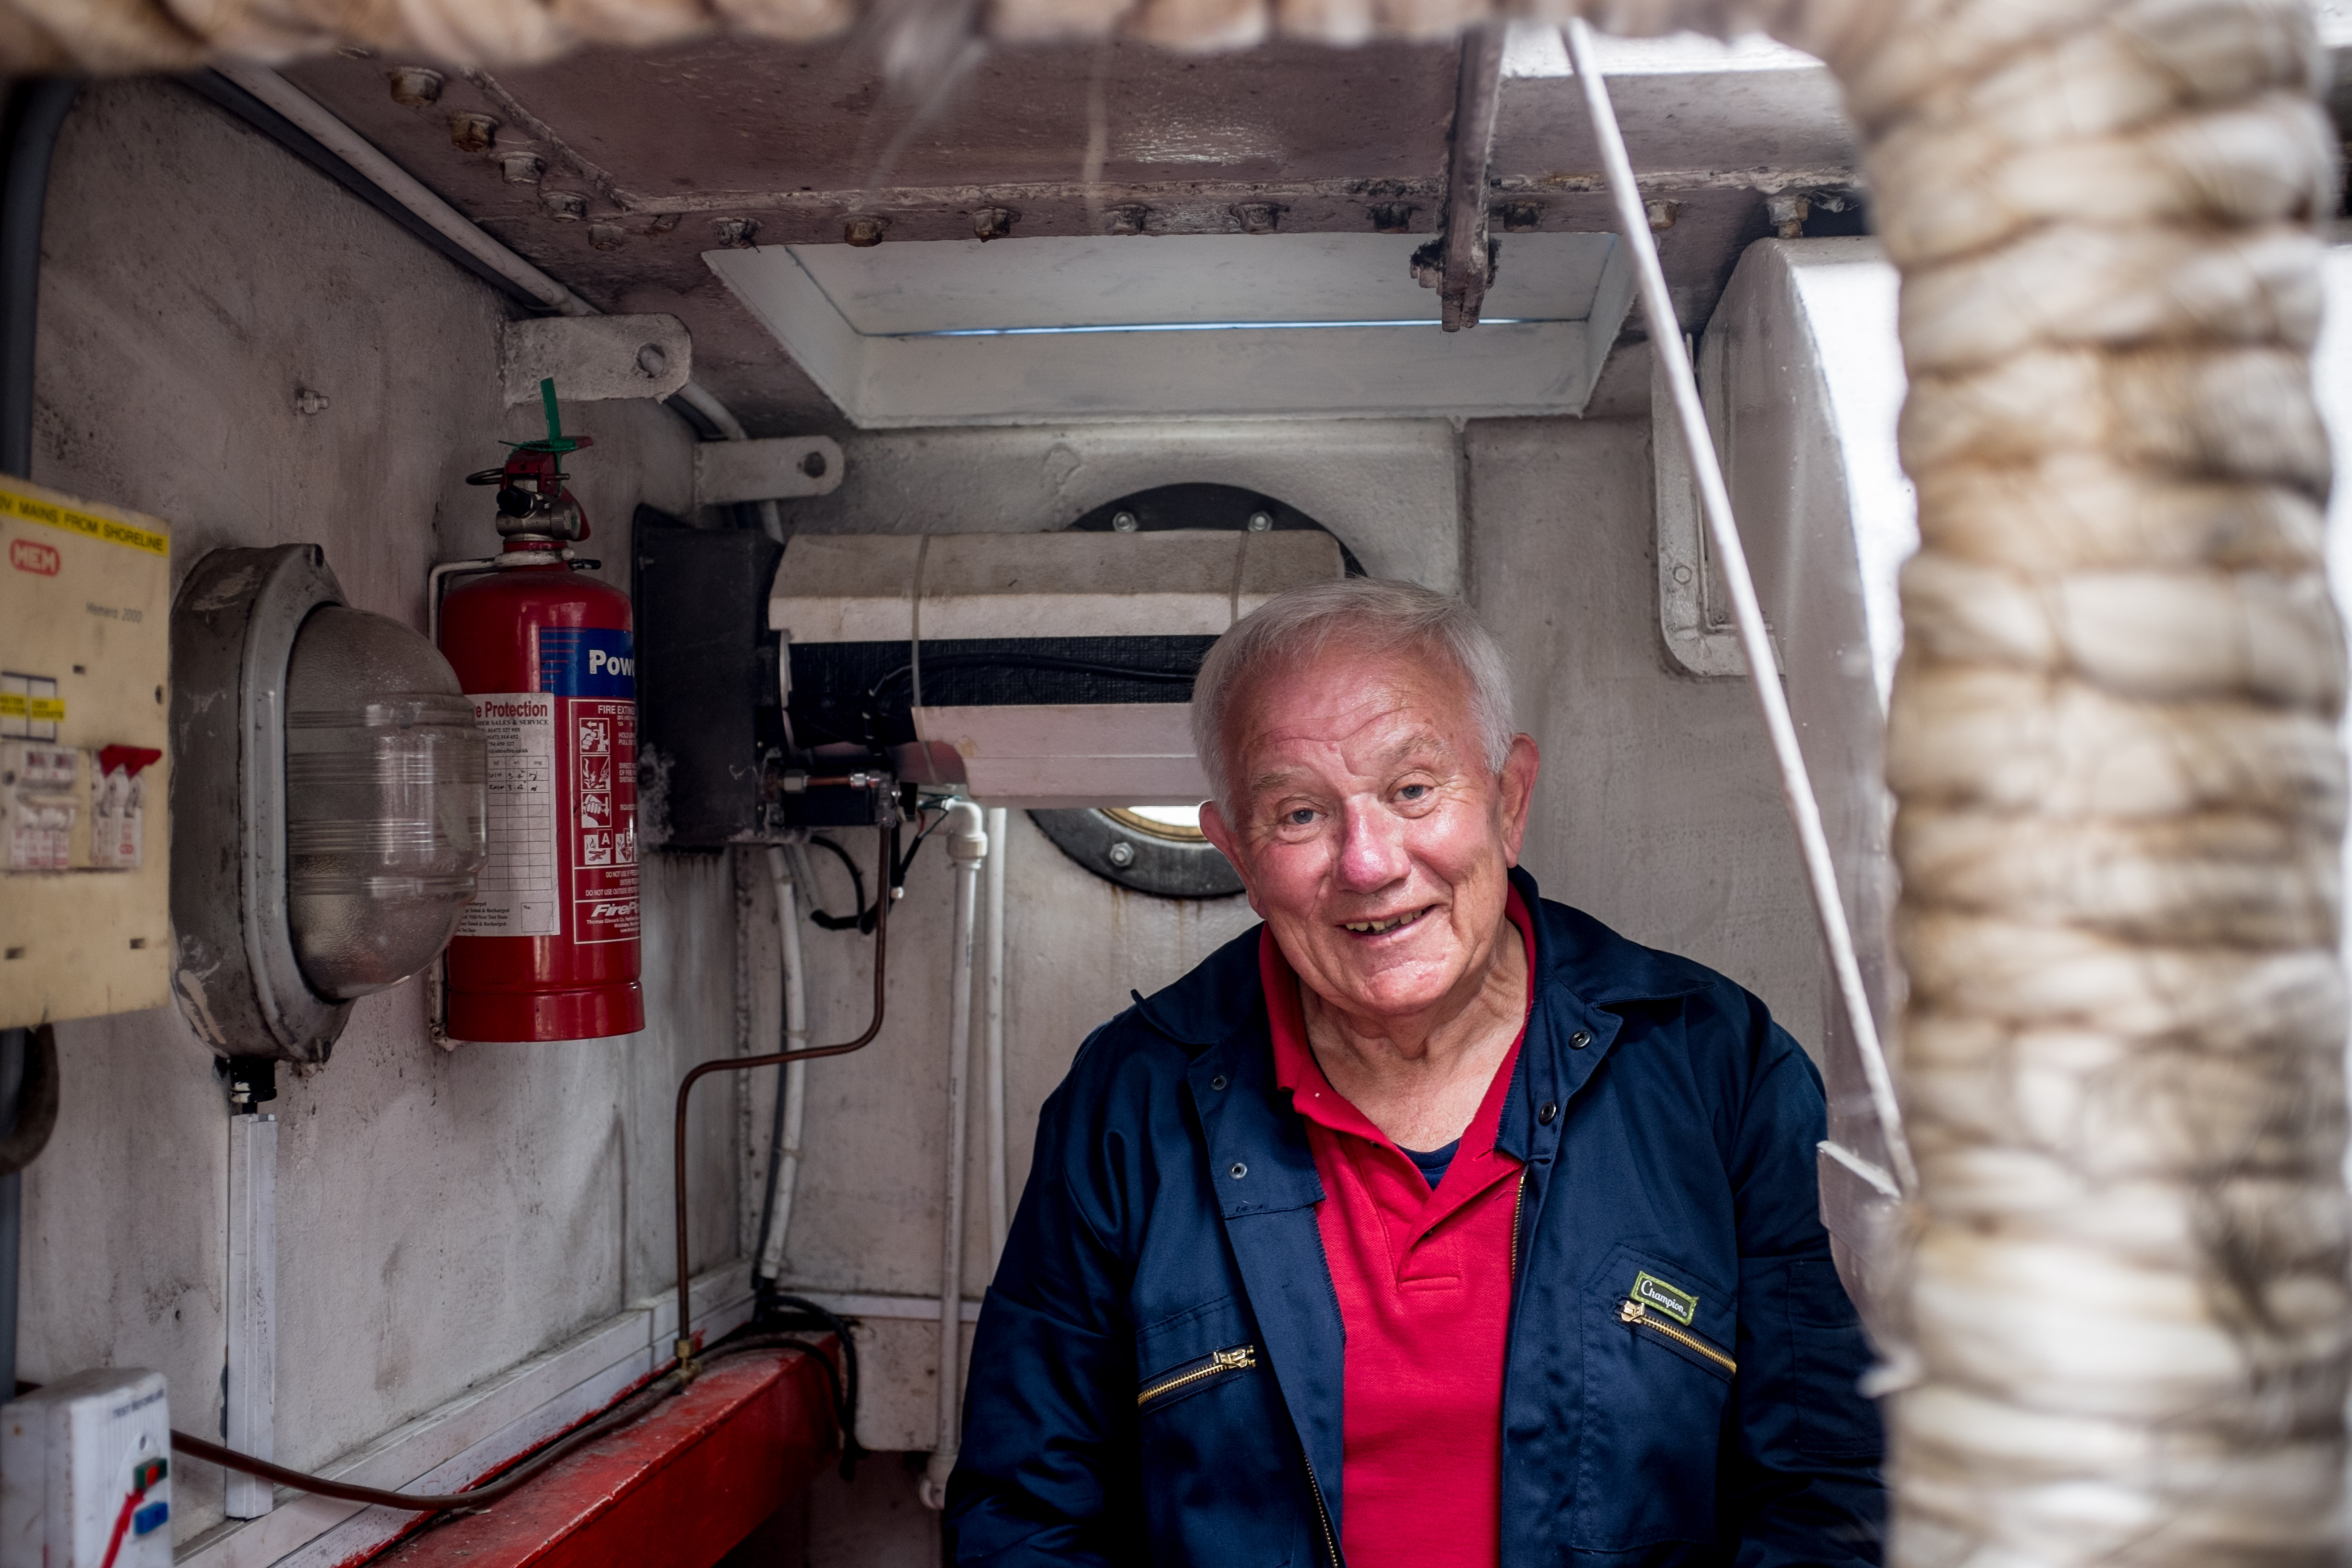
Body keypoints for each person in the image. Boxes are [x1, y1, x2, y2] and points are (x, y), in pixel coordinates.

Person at [946, 578, 1884, 1567]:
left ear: (1509, 801)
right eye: (1299, 814)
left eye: (1413, 791)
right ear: (1237, 853)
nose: (1368, 864)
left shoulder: (1717, 1070)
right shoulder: (1131, 1104)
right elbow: (1024, 1515)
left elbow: (1830, 1494)